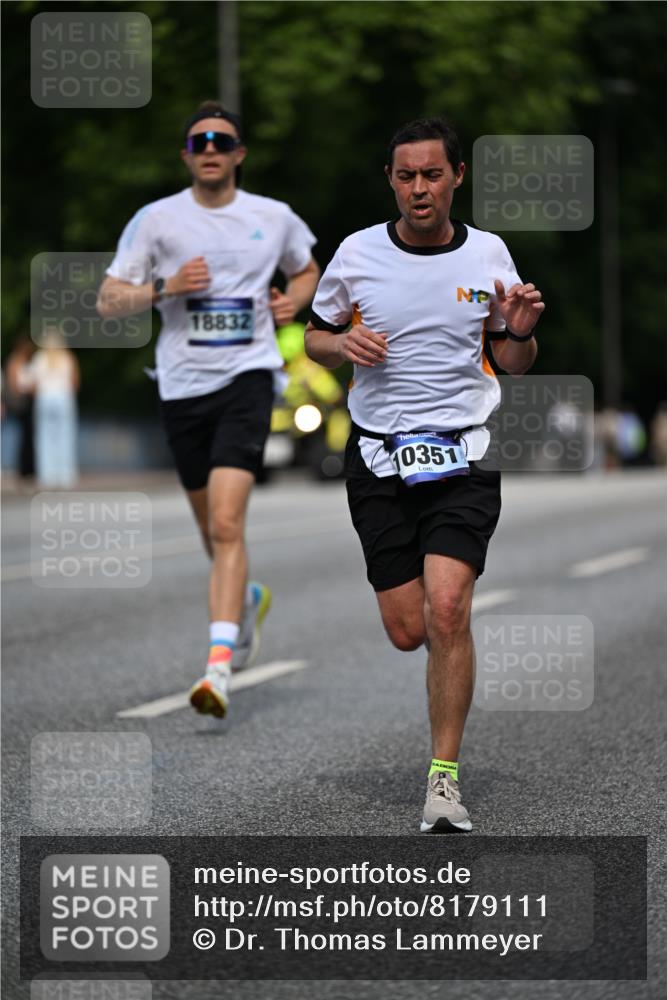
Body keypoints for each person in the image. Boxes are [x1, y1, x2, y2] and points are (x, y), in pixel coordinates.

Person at [305, 117, 544, 832]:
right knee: (409, 630)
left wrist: (520, 331)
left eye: (432, 175)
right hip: (379, 457)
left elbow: (512, 362)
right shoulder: (357, 253)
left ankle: (443, 781)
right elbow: (314, 336)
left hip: (464, 453)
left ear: (457, 177)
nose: (419, 188)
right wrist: (341, 343)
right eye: (406, 176)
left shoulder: (488, 255)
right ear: (390, 180)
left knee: (447, 609)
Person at [98, 100, 319, 719]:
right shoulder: (156, 220)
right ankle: (245, 598)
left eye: (223, 141)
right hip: (182, 387)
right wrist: (166, 287)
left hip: (248, 378)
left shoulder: (272, 216)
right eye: (201, 142)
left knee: (226, 524)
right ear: (187, 156)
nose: (212, 149)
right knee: (210, 531)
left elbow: (307, 271)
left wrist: (292, 301)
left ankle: (218, 667)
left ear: (240, 153)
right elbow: (109, 301)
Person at [25, 329, 80, 488]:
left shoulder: (39, 358)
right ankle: (65, 475)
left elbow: (32, 383)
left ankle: (46, 475)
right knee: (66, 436)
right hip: (63, 396)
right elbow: (75, 381)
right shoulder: (67, 357)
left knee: (44, 437)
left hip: (45, 397)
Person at [4, 335, 37, 482]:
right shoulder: (14, 361)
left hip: (25, 402)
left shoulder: (25, 362)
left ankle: (28, 468)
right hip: (19, 404)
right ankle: (24, 469)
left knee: (27, 437)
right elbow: (14, 385)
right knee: (23, 436)